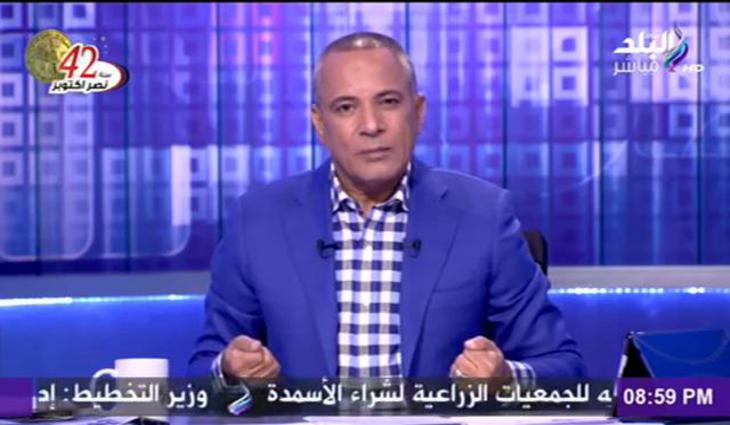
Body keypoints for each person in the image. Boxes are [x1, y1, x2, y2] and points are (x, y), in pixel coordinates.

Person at [188, 32, 586, 386]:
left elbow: (565, 369)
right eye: (346, 107)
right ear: (319, 124)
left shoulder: (483, 216)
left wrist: (505, 380)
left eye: (389, 102)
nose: (371, 125)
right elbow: (203, 377)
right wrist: (232, 376)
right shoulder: (257, 221)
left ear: (418, 112)